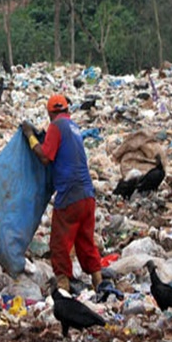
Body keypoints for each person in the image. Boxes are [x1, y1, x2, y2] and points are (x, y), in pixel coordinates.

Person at [22, 94, 102, 294]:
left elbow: (45, 157)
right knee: (86, 242)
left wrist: (30, 136)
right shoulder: (74, 127)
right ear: (67, 110)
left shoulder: (56, 126)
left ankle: (63, 287)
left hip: (70, 195)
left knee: (59, 243)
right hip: (88, 195)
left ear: (50, 113)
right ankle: (99, 283)